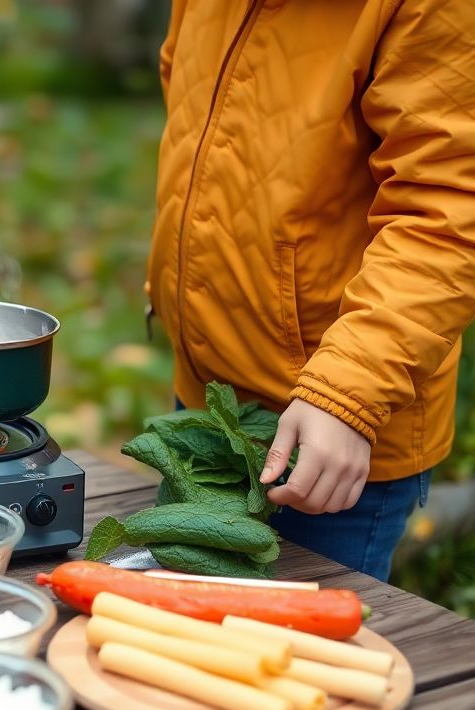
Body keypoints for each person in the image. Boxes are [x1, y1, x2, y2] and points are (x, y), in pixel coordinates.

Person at [149, 0, 475, 579]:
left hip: (332, 431)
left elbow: (449, 214)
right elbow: (194, 103)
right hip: (209, 390)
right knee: (181, 639)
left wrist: (348, 394)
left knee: (294, 660)